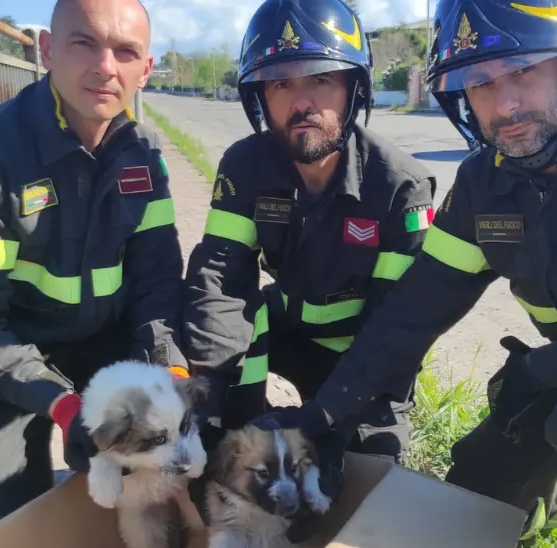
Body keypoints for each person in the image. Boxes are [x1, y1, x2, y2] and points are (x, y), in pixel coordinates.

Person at [264, 0, 557, 544]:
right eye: (480, 83)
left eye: (524, 70)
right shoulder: (486, 185)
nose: (505, 105)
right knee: (474, 488)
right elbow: (409, 316)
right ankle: (554, 495)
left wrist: (540, 370)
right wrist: (318, 421)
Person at [182, 0, 437, 488]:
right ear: (260, 98)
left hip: (361, 354)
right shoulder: (245, 167)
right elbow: (220, 279)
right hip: (283, 328)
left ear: (352, 88)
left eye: (320, 79)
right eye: (281, 84)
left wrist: (324, 421)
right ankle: (242, 414)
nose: (302, 103)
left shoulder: (400, 187)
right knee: (225, 455)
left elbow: (394, 330)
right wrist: (207, 399)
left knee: (369, 480)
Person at [0, 0, 186, 529]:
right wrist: (65, 407)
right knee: (8, 518)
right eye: (84, 43)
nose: (106, 67)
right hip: (9, 358)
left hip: (105, 344)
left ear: (146, 68)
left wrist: (169, 372)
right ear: (47, 51)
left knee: (150, 493)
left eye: (126, 52)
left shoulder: (144, 154)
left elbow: (158, 279)